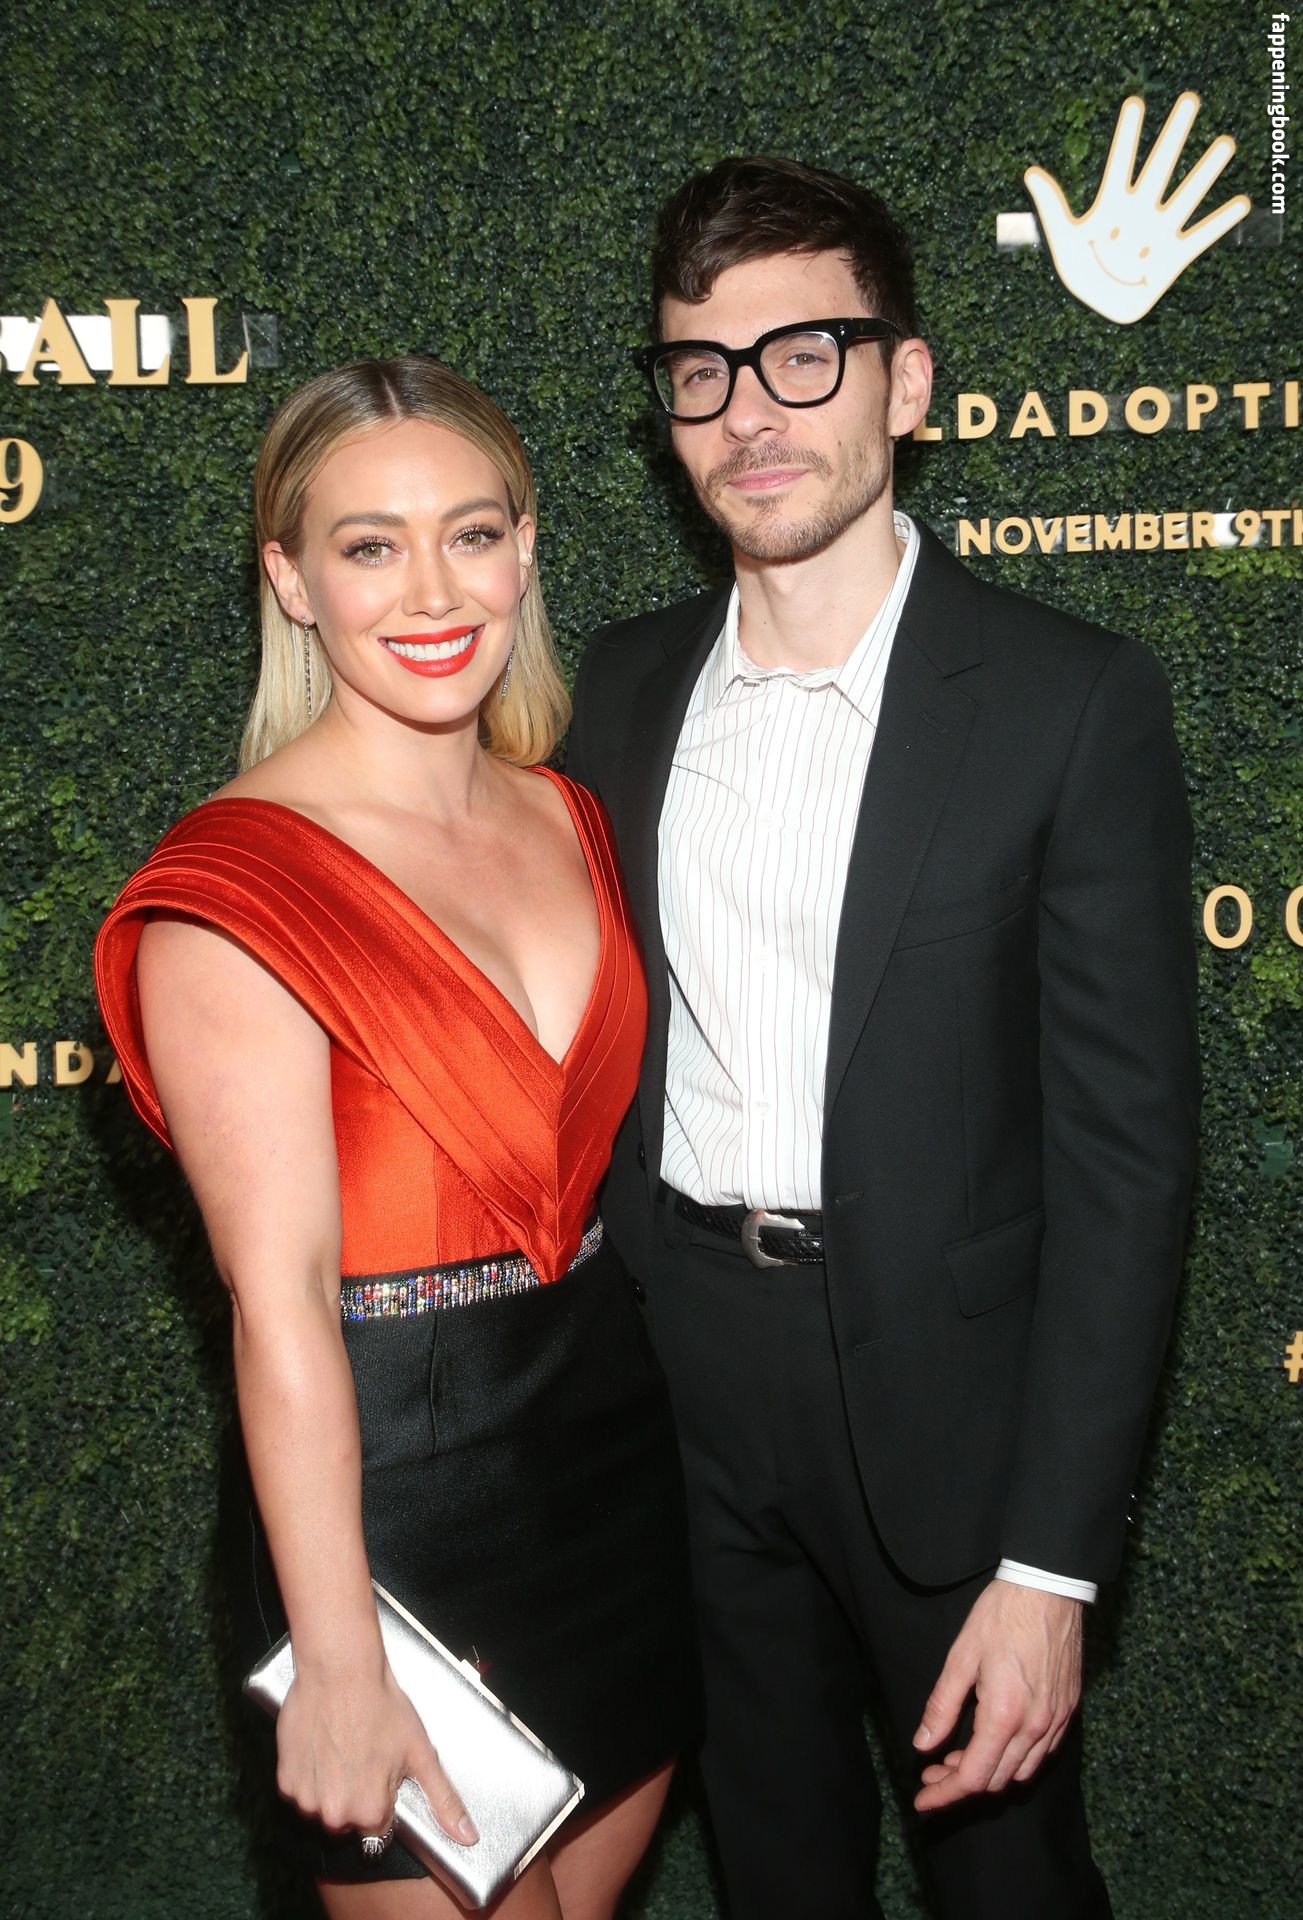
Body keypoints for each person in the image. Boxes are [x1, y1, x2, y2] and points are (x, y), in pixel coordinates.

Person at [565, 157, 1199, 1919]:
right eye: (702, 369)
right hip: (684, 1384)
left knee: (1008, 1885)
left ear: (907, 383)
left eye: (804, 356)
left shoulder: (1069, 700)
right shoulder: (616, 690)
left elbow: (1129, 1168)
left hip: (956, 1407)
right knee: (772, 1872)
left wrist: (1053, 1566)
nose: (749, 414)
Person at [94, 354, 699, 1920]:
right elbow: (281, 1303)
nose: (433, 590)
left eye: (471, 533)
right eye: (370, 545)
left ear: (525, 549)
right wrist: (340, 1656)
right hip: (390, 1511)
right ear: (293, 581)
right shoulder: (233, 892)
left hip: (613, 1470)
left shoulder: (568, 816)